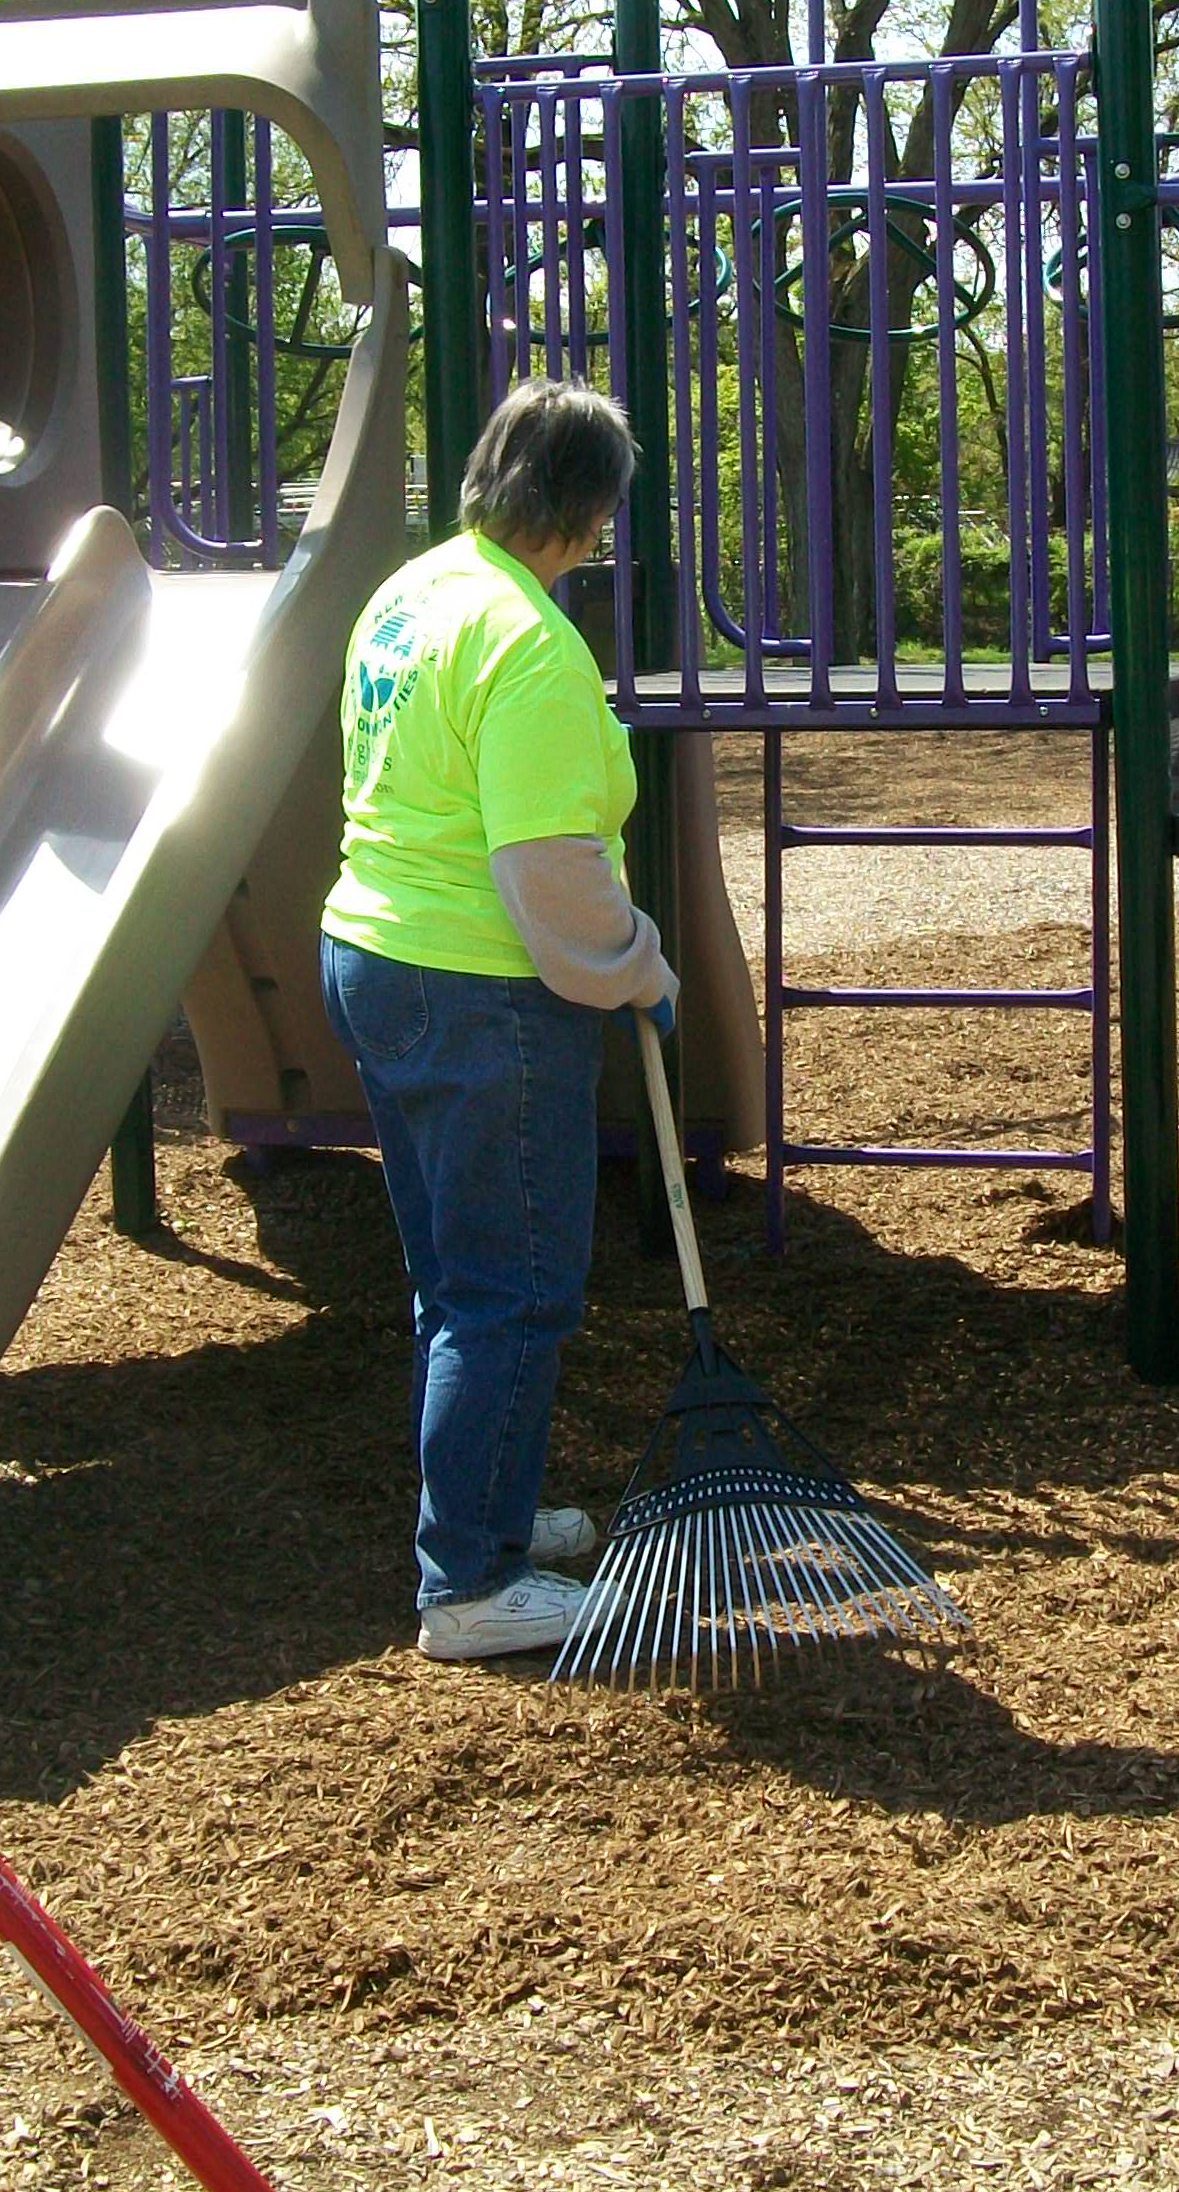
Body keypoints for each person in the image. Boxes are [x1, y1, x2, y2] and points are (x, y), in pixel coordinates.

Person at [321, 376, 676, 1663]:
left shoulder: (413, 595)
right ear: (587, 510)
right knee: (513, 1290)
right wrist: (636, 965)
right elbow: (549, 875)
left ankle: (492, 1509)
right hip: (480, 988)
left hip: (372, 951)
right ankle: (469, 1584)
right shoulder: (531, 643)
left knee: (453, 1281)